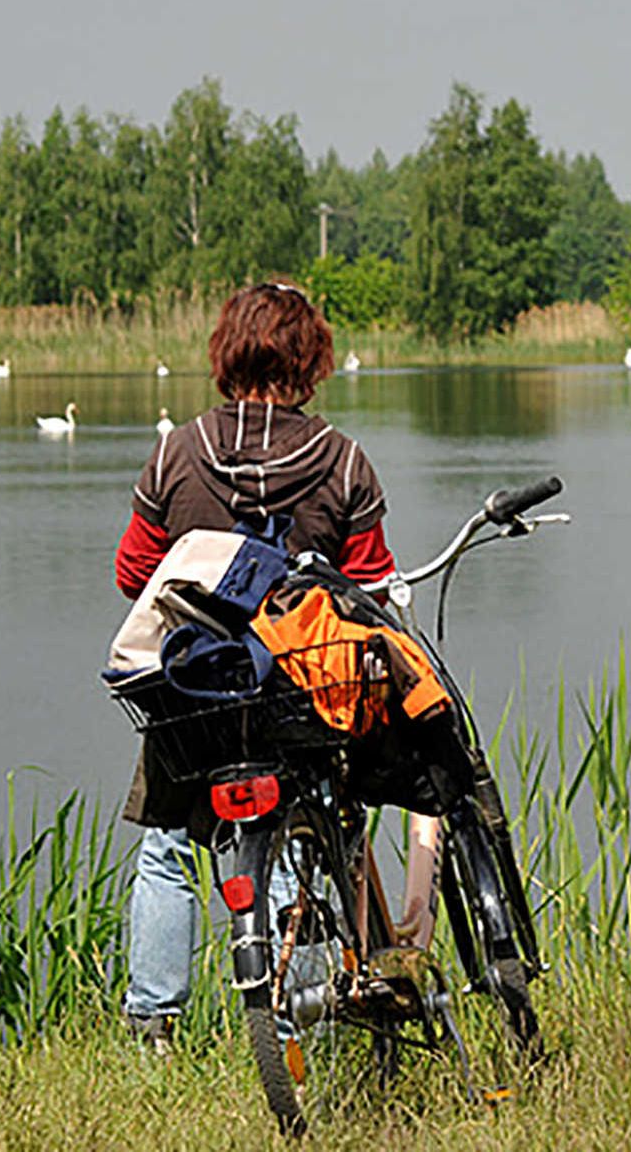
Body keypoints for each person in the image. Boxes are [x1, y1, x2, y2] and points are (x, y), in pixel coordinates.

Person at [113, 281, 397, 1049]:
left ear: (226, 350)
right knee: (297, 851)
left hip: (191, 697)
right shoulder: (341, 461)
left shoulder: (178, 452)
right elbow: (371, 588)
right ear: (310, 360)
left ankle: (153, 1028)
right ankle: (302, 1031)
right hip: (297, 698)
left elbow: (132, 572)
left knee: (169, 848)